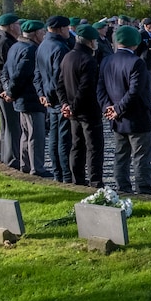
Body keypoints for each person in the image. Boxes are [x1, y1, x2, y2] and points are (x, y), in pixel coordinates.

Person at [98, 25, 151, 195]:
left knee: (120, 155)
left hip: (116, 117)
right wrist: (118, 108)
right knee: (141, 156)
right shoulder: (137, 62)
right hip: (136, 116)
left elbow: (100, 88)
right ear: (135, 43)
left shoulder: (106, 60)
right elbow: (135, 91)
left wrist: (108, 108)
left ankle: (122, 187)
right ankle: (143, 188)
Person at [57, 25, 105, 187]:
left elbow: (60, 84)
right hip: (87, 111)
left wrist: (65, 104)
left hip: (73, 111)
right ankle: (95, 181)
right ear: (90, 42)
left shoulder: (68, 57)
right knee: (94, 148)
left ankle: (77, 180)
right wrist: (72, 107)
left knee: (77, 146)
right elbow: (85, 89)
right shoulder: (88, 60)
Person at [1, 20, 49, 177]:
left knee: (26, 133)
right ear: (35, 34)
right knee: (36, 135)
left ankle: (25, 165)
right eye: (42, 32)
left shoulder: (15, 46)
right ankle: (37, 168)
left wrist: (9, 91)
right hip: (30, 98)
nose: (44, 35)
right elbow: (20, 75)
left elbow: (5, 73)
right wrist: (11, 93)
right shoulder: (31, 50)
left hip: (20, 99)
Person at [35, 15, 74, 183]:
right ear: (60, 29)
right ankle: (66, 175)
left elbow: (37, 74)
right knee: (63, 139)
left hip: (49, 98)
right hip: (59, 100)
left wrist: (41, 94)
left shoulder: (42, 45)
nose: (69, 31)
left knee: (54, 138)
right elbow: (61, 78)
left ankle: (58, 173)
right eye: (67, 28)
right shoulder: (59, 48)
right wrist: (65, 101)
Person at [0, 13, 22, 168]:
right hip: (4, 89)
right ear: (10, 26)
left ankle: (6, 155)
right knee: (12, 126)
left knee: (6, 126)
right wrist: (9, 90)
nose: (20, 27)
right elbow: (6, 69)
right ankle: (12, 159)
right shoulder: (5, 43)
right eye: (17, 24)